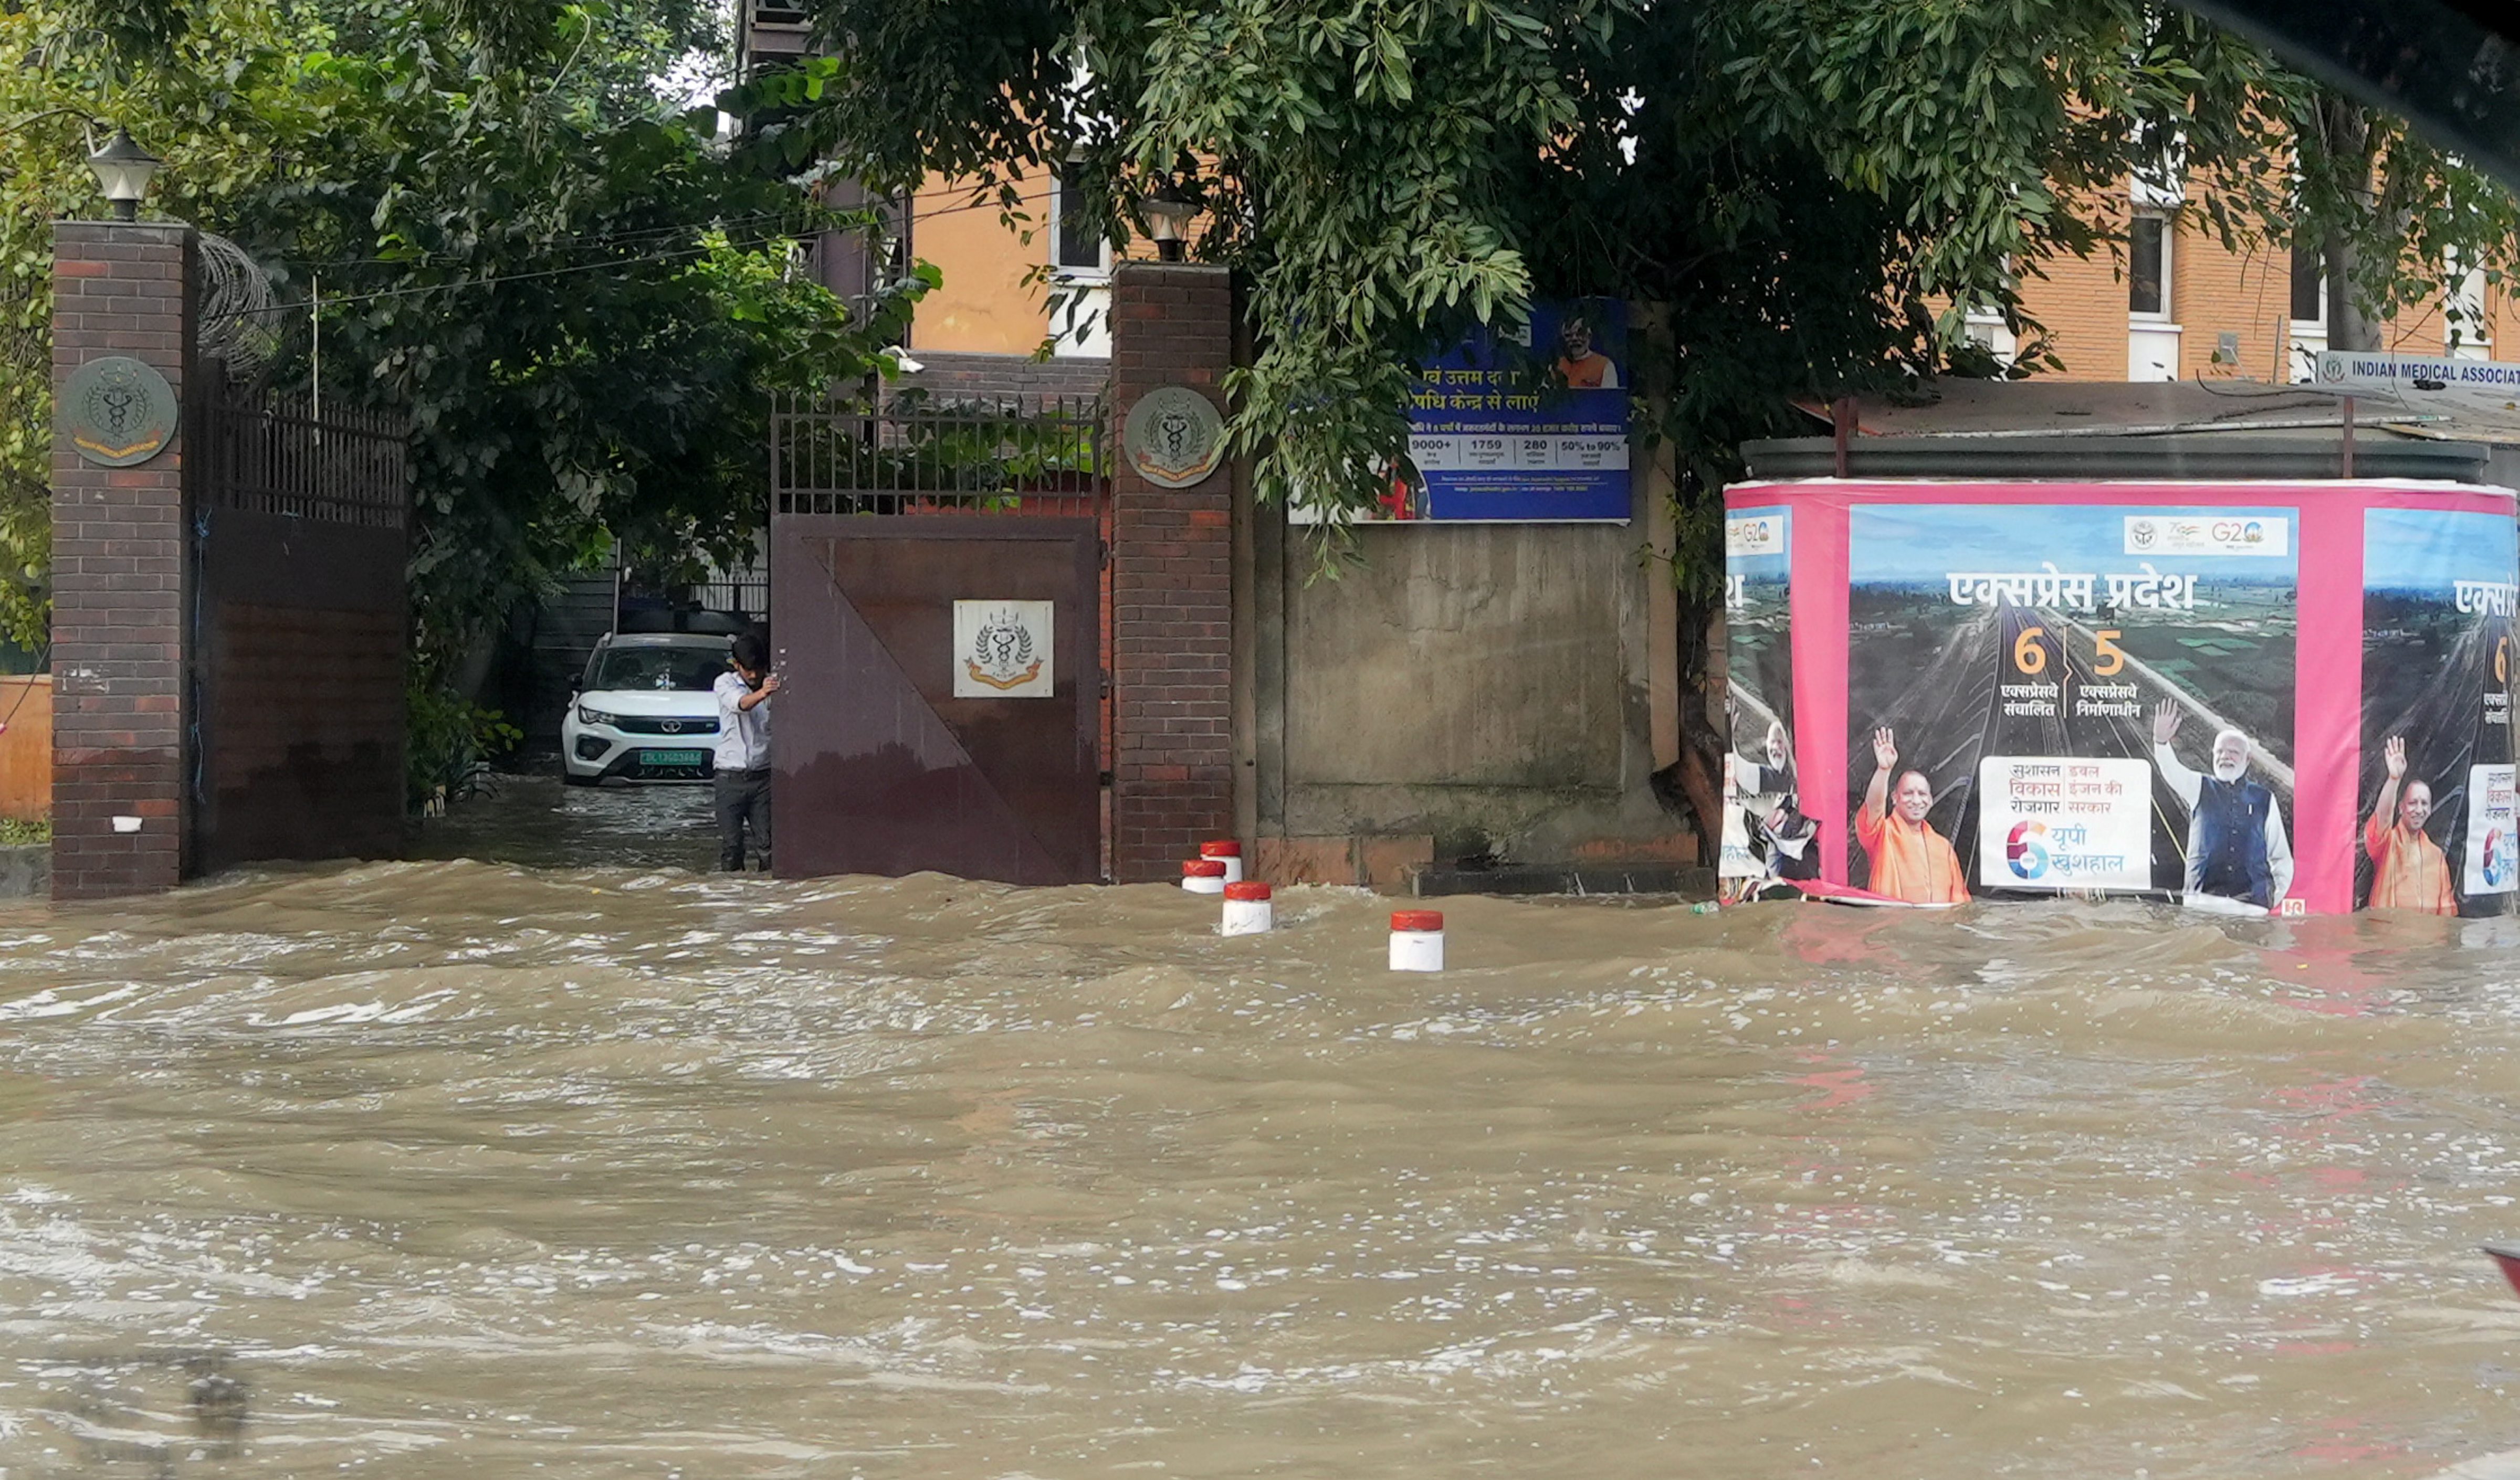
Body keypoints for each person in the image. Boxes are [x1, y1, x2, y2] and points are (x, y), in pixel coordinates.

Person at [2152, 700, 2293, 910]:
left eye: (2233, 752)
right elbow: (2170, 769)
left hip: (2252, 908)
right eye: (2220, 752)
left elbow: (2280, 857)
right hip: (2202, 903)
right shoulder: (2198, 787)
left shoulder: (2264, 799)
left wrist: (2273, 898)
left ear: (2247, 759)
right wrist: (2161, 742)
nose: (2225, 756)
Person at [1852, 726, 1969, 903]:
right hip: (1893, 927)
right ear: (1894, 798)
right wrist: (1884, 770)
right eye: (1908, 793)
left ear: (1930, 800)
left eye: (1922, 794)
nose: (1916, 800)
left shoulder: (1944, 848)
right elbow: (1874, 807)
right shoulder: (1883, 834)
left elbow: (1961, 903)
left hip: (1936, 928)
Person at [2364, 734, 2457, 914]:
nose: (2419, 809)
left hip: (2426, 940)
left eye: (2424, 804)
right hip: (2390, 938)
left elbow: (2447, 912)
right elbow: (2382, 819)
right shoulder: (2387, 844)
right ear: (2401, 808)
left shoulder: (2437, 857)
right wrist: (2394, 779)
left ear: (2430, 810)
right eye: (2413, 803)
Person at [713, 630, 779, 872]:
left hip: (763, 777)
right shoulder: (725, 682)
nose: (753, 675)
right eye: (748, 670)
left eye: (758, 670)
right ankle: (733, 896)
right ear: (736, 665)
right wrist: (764, 693)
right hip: (729, 777)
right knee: (732, 847)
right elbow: (739, 704)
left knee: (769, 846)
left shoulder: (772, 682)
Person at [1555, 316, 1621, 389]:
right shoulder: (1556, 366)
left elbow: (1610, 398)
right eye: (1569, 335)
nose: (1574, 339)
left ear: (1589, 336)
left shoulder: (1605, 366)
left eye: (1580, 334)